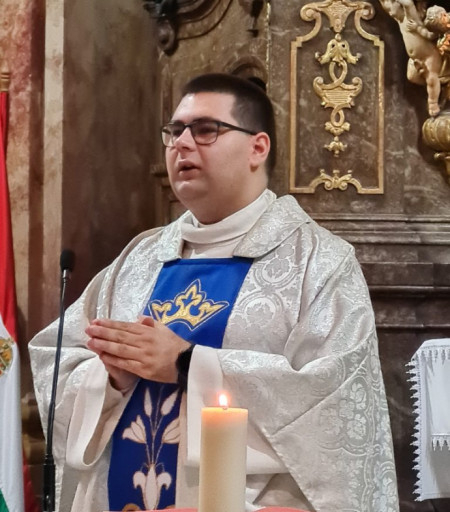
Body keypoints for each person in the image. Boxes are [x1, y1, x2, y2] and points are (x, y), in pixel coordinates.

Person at [29, 73, 399, 512]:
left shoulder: (318, 262)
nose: (182, 144)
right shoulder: (139, 259)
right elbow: (56, 361)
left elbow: (337, 402)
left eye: (206, 130)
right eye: (174, 131)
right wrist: (109, 380)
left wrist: (187, 364)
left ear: (257, 148)